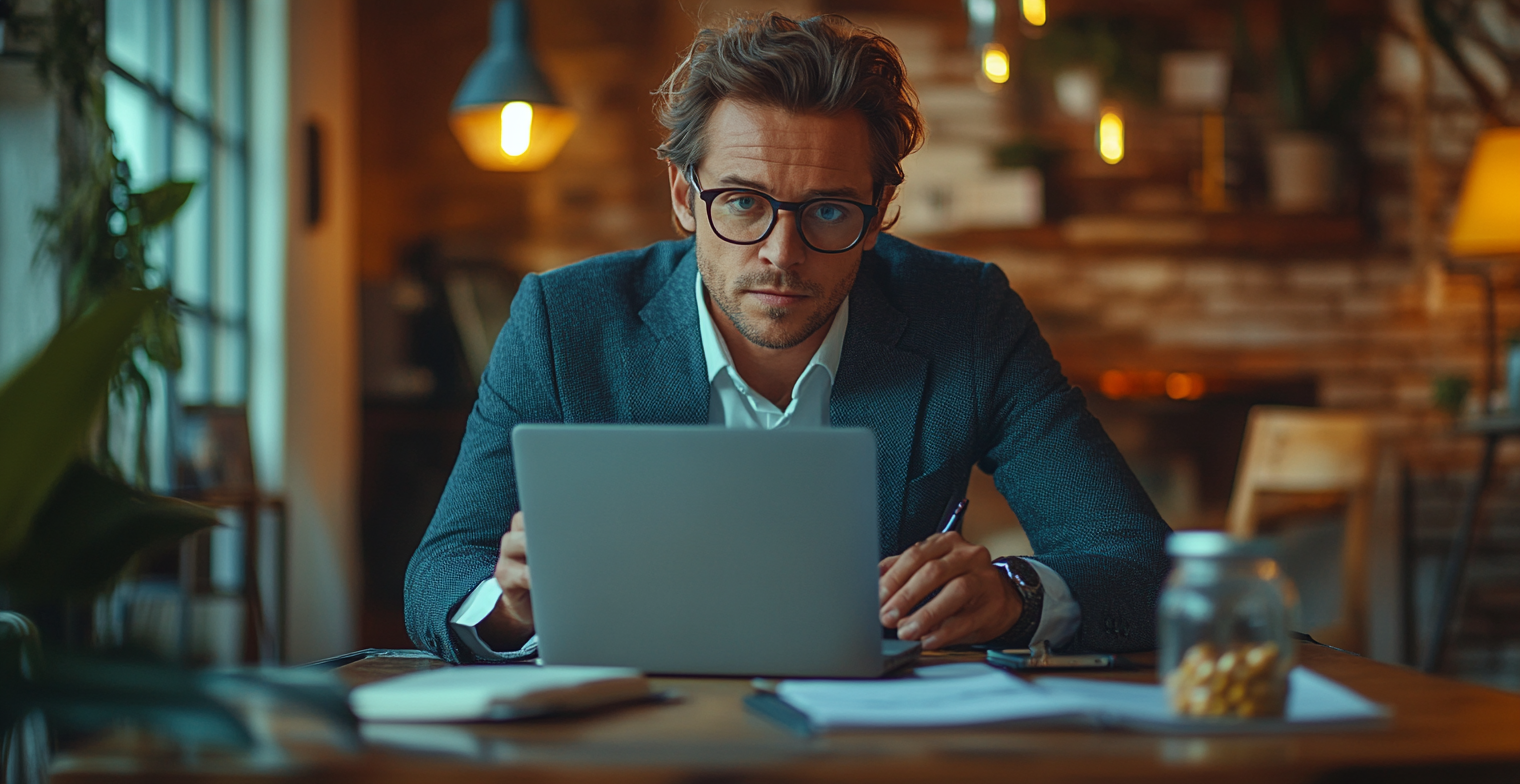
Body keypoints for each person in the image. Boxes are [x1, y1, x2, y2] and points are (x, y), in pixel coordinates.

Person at [405, 12, 1171, 664]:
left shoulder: (967, 316)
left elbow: (1140, 561)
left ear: (877, 216)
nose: (781, 252)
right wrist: (512, 609)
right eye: (741, 203)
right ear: (684, 198)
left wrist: (1014, 596)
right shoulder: (562, 320)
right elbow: (440, 569)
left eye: (830, 211)